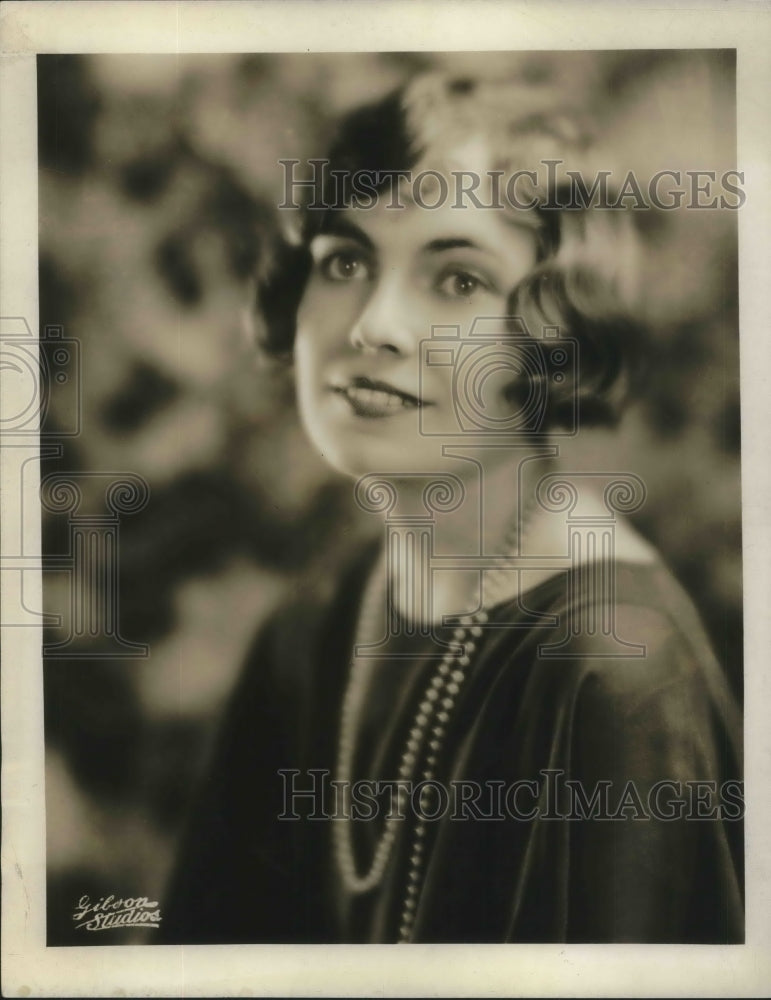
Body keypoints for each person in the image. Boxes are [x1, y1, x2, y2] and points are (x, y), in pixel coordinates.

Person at [157, 73, 743, 944]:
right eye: (345, 262)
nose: (374, 326)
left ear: (552, 333)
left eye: (457, 279)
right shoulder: (315, 627)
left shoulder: (614, 672)